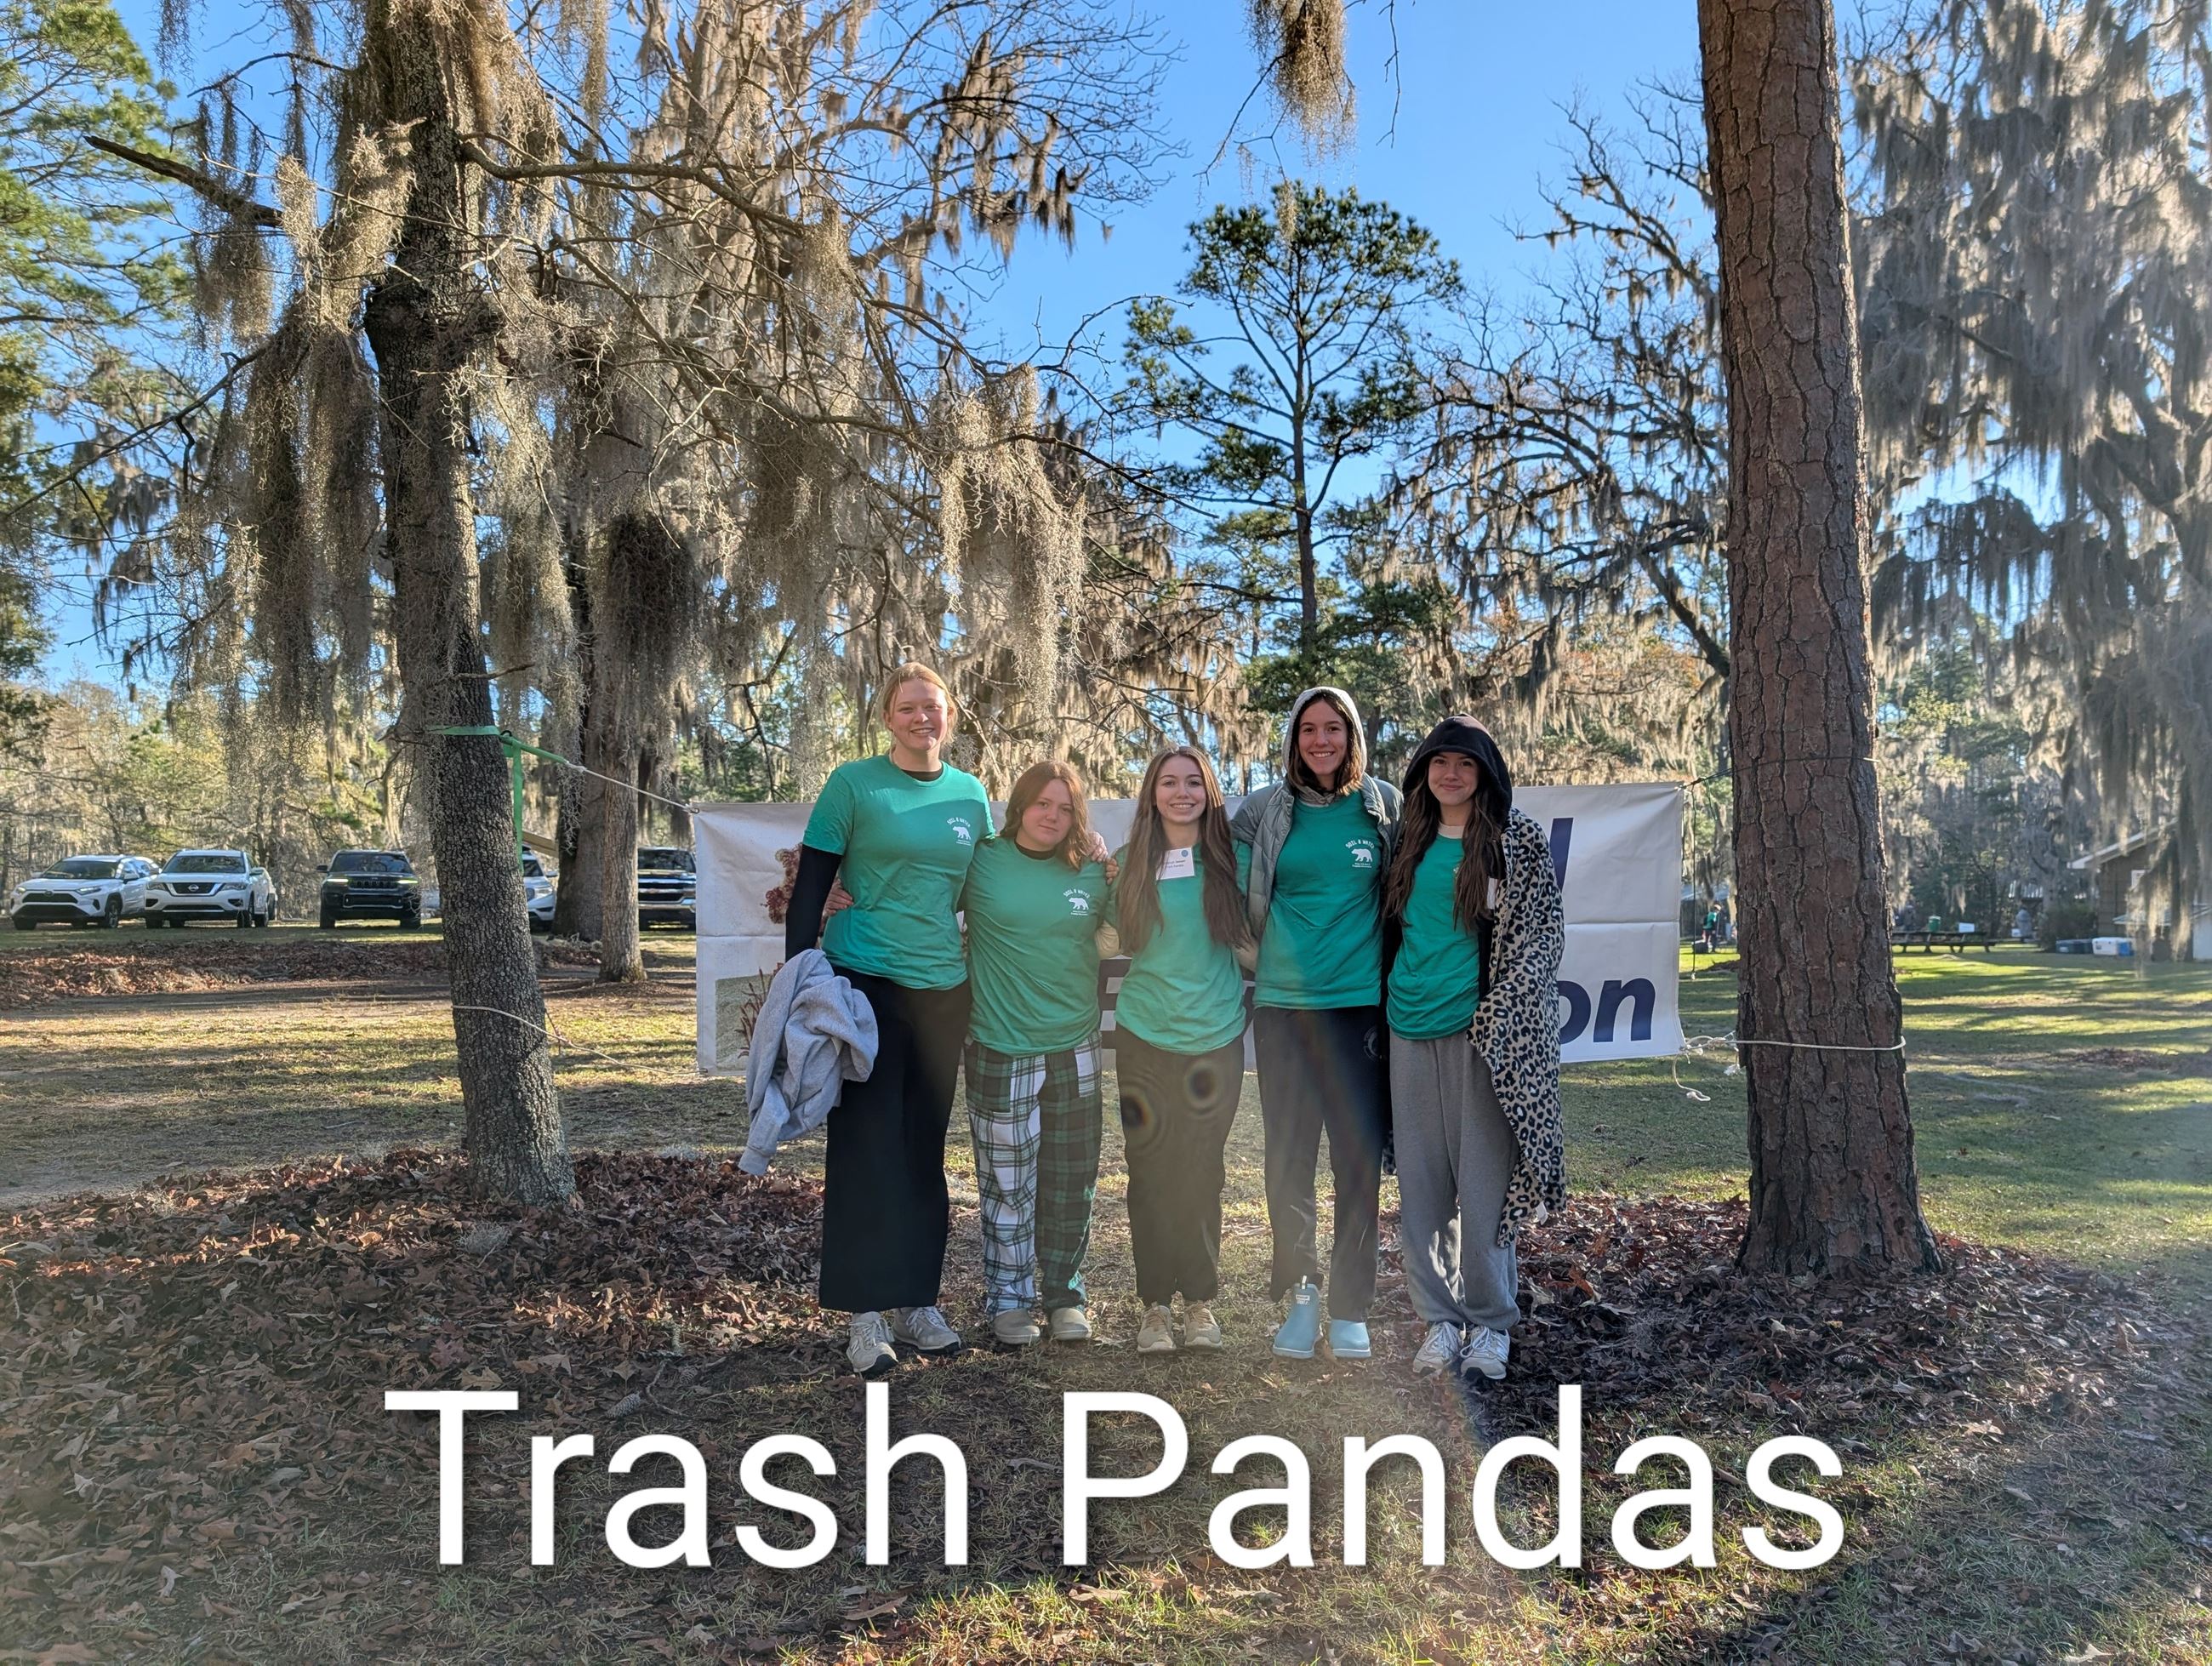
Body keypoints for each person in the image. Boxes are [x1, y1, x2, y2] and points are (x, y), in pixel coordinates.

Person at [782, 662, 990, 1376]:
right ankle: (864, 1316)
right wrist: (800, 977)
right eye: (907, 708)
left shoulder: (972, 795)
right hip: (862, 983)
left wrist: (1084, 855)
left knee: (921, 1151)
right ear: (887, 717)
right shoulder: (853, 784)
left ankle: (918, 1302)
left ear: (951, 715)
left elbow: (990, 883)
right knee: (866, 1146)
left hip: (943, 990)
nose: (921, 718)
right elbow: (812, 879)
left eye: (932, 707)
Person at [1379, 716, 1565, 1384]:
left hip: (1481, 1036)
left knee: (1484, 1187)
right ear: (1423, 772)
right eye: (1439, 762)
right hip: (1407, 1027)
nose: (1451, 774)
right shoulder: (1408, 838)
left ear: (1485, 772)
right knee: (1423, 1187)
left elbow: (1544, 933)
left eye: (1465, 763)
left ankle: (1490, 1324)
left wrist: (1505, 1006)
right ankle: (1440, 1320)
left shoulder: (1517, 841)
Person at [1229, 687, 1401, 1363]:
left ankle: (1351, 1305)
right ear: (1293, 740)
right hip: (1283, 1009)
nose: (1321, 740)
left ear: (1352, 734)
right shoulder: (1266, 810)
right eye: (1309, 730)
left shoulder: (1382, 807)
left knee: (1358, 1161)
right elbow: (1226, 881)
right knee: (1288, 1159)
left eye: (1334, 728)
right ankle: (1302, 1293)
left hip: (1360, 1007)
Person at [957, 761, 1116, 1347]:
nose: (1053, 816)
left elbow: (1129, 927)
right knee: (1006, 1182)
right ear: (1019, 806)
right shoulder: (981, 861)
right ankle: (1008, 1298)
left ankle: (1064, 1293)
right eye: (1043, 804)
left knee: (1071, 1179)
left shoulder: (1094, 871)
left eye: (1067, 807)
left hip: (1075, 1045)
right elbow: (915, 888)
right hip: (1000, 1045)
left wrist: (1112, 864)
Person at [1103, 745, 1255, 1355]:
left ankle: (1200, 1304)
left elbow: (1258, 942)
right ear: (1152, 793)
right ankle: (1154, 1309)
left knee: (1201, 1170)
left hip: (1216, 1037)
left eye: (1194, 781)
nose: (1182, 792)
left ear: (1209, 793)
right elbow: (1101, 935)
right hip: (1142, 1035)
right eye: (1169, 782)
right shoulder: (1126, 863)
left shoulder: (1235, 862)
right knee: (1150, 1171)